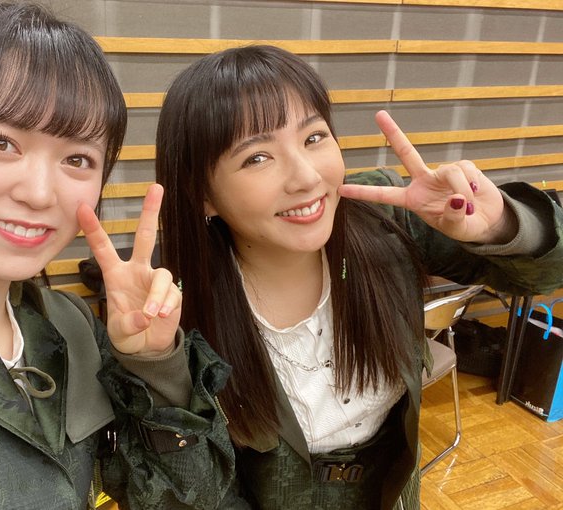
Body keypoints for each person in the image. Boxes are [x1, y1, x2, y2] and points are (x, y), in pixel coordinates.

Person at [155, 45, 563, 509]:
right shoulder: (179, 309)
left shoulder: (386, 224)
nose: (307, 177)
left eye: (313, 137)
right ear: (203, 195)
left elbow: (545, 273)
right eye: (257, 158)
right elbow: (192, 486)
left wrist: (500, 227)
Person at [0, 3, 234, 509]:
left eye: (77, 158)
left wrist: (155, 366)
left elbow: (188, 498)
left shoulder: (70, 328)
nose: (39, 193)